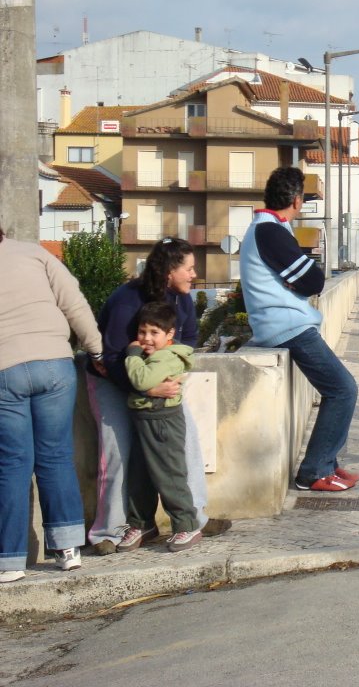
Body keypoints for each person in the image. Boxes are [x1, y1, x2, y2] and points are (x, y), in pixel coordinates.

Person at [86, 238, 230, 555]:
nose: (194, 274)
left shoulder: (182, 299)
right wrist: (148, 387)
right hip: (113, 381)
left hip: (159, 382)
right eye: (189, 268)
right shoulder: (127, 300)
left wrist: (172, 365)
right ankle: (109, 531)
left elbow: (189, 337)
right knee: (118, 451)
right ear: (168, 270)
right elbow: (109, 358)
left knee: (186, 442)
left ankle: (195, 519)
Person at [240, 166, 359, 492]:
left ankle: (329, 463)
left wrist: (294, 280)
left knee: (339, 389)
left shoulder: (264, 229)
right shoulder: (271, 232)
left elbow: (302, 280)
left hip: (282, 323)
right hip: (287, 326)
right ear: (296, 200)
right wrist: (297, 281)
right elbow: (313, 281)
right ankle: (314, 472)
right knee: (343, 389)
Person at [0, 226, 102, 582]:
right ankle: (68, 549)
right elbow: (73, 302)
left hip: (4, 369)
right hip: (55, 364)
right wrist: (96, 349)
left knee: (13, 464)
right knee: (56, 455)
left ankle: (10, 561)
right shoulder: (34, 253)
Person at [119, 302, 202, 553]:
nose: (146, 339)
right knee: (139, 476)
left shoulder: (167, 357)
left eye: (154, 333)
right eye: (142, 332)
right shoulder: (152, 357)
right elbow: (145, 383)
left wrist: (132, 354)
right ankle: (141, 523)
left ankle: (186, 524)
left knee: (169, 475)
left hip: (162, 421)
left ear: (169, 335)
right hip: (144, 421)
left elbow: (140, 378)